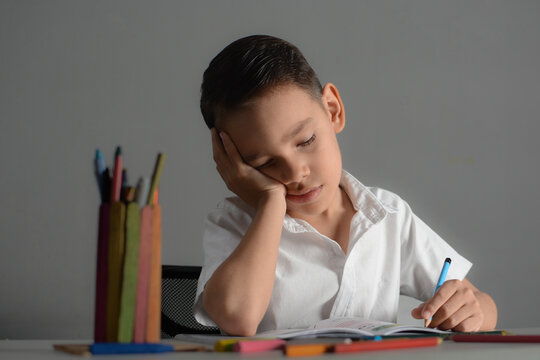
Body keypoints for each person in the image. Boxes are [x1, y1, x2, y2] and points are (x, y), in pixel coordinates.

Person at [193, 34, 497, 336]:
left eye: (306, 140)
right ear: (233, 164)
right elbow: (236, 317)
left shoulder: (387, 216)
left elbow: (483, 306)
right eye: (264, 163)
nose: (295, 173)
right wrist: (271, 202)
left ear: (333, 109)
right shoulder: (234, 223)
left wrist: (471, 310)